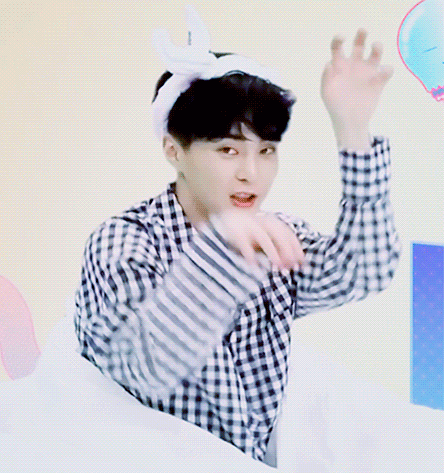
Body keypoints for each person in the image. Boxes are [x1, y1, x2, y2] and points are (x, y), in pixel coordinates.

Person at [74, 6, 401, 468]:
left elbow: (363, 271)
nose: (251, 172)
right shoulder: (125, 242)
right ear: (174, 150)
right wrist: (221, 249)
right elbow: (142, 367)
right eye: (228, 149)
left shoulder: (271, 235)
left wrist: (354, 133)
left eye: (266, 150)